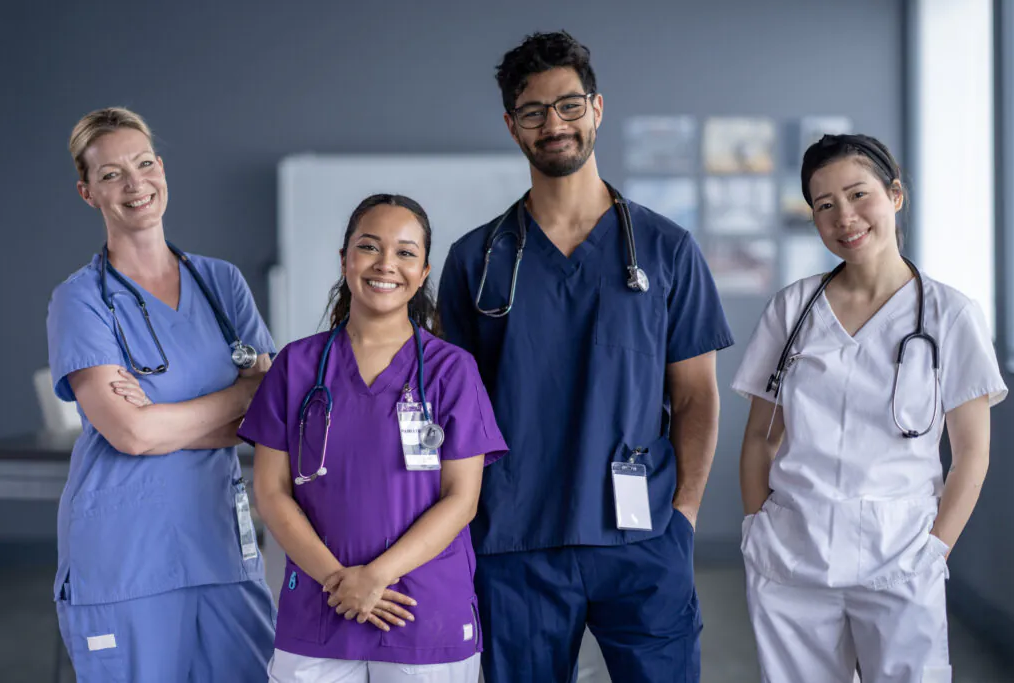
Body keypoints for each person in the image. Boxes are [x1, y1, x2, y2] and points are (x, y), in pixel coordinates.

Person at [438, 31, 733, 683]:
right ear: (512, 125)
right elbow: (453, 415)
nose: (555, 124)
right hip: (516, 541)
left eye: (569, 105)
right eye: (535, 111)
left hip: (641, 537)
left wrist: (681, 519)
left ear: (598, 109)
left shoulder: (666, 249)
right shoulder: (476, 260)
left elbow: (696, 396)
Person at [733, 134, 1008, 683]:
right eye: (825, 205)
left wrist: (934, 552)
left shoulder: (951, 315)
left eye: (859, 195)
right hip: (793, 549)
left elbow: (971, 454)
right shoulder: (792, 308)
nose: (845, 217)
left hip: (900, 554)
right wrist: (756, 524)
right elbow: (761, 436)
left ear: (895, 195)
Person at [46, 107, 277, 681]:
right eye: (110, 174)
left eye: (144, 163)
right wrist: (236, 396)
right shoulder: (80, 302)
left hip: (221, 548)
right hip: (124, 557)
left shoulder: (221, 284)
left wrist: (160, 421)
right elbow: (129, 432)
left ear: (163, 170)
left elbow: (271, 411)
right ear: (88, 193)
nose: (134, 184)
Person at [238, 194, 507, 683]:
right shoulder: (296, 367)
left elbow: (461, 499)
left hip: (422, 612)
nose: (387, 264)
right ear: (344, 260)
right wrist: (340, 583)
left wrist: (374, 578)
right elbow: (272, 492)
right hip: (318, 610)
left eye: (406, 252)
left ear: (424, 272)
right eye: (369, 247)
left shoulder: (452, 371)